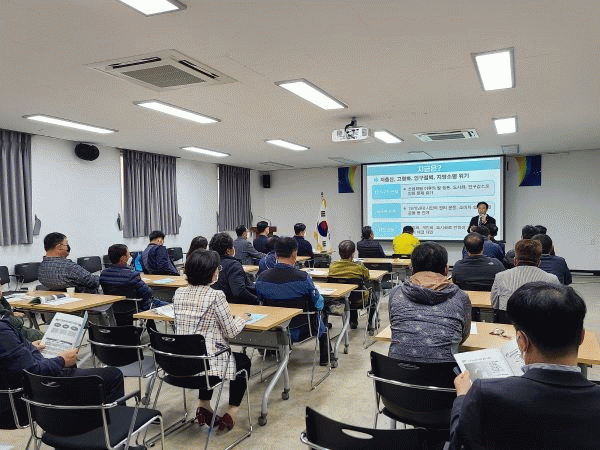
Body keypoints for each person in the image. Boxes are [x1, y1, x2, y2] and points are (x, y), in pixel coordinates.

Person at [449, 282, 600, 450]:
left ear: (522, 341)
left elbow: (459, 444)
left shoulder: (485, 394)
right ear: (582, 337)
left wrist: (462, 397)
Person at [173, 249, 251, 432]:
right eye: (217, 268)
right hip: (205, 369)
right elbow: (231, 332)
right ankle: (232, 411)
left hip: (179, 366)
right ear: (211, 273)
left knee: (204, 353)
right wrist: (242, 318)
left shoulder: (179, 293)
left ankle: (204, 406)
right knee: (242, 361)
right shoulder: (216, 296)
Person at [0, 316, 124, 402]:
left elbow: (11, 355)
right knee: (113, 375)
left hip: (15, 393)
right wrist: (62, 360)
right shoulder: (3, 330)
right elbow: (32, 370)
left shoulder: (4, 328)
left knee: (72, 368)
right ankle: (109, 426)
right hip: (28, 397)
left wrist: (28, 347)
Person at [388, 242, 471, 363]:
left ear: (412, 269)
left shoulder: (396, 293)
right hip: (444, 373)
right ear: (446, 270)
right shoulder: (461, 297)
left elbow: (394, 327)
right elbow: (463, 335)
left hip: (396, 371)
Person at [255, 237, 332, 365]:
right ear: (294, 254)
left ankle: (273, 351)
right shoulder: (303, 278)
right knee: (322, 313)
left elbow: (261, 301)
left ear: (276, 255)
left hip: (274, 329)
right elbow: (318, 304)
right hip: (302, 329)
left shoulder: (262, 278)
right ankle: (326, 358)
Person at [491, 239, 560, 310]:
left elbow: (494, 305)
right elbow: (556, 308)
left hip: (508, 316)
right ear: (539, 263)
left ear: (514, 261)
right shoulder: (552, 280)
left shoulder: (500, 277)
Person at [99, 244, 168, 311]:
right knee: (169, 305)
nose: (130, 256)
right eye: (128, 254)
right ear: (123, 258)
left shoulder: (103, 274)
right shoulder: (131, 275)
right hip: (138, 308)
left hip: (114, 310)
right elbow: (148, 293)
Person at [328, 240, 376, 330]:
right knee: (371, 295)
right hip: (358, 300)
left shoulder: (333, 266)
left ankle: (353, 321)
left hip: (339, 300)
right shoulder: (358, 267)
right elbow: (367, 277)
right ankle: (371, 323)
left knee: (349, 293)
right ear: (353, 254)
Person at [210, 233, 257, 304]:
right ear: (228, 250)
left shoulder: (208, 263)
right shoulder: (233, 265)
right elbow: (239, 292)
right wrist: (257, 300)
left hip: (214, 303)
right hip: (234, 304)